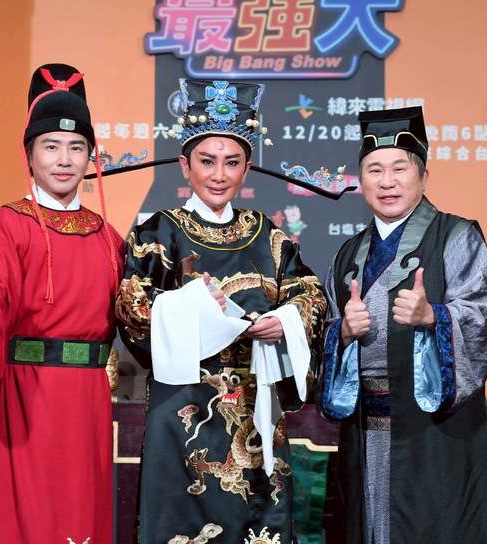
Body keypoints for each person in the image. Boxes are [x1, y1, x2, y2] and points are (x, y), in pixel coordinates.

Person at [115, 78, 327, 543]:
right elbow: (132, 306)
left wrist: (285, 320)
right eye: (206, 161)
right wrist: (191, 307)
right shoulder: (159, 233)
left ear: (247, 168)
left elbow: (310, 292)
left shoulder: (268, 235)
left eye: (232, 162)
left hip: (254, 406)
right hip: (182, 407)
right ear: (184, 164)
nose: (219, 174)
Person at [0, 63, 125, 543]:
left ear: (91, 157)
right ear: (29, 154)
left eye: (76, 147)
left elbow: (136, 315)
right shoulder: (8, 225)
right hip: (24, 399)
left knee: (78, 517)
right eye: (51, 146)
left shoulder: (109, 237)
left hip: (87, 405)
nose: (64, 159)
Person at [320, 106, 487, 543]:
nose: (387, 182)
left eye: (399, 169)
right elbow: (323, 327)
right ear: (360, 181)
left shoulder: (456, 236)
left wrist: (433, 317)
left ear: (423, 177)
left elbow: (481, 315)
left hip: (434, 433)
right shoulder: (348, 254)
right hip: (364, 430)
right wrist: (341, 333)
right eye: (374, 170)